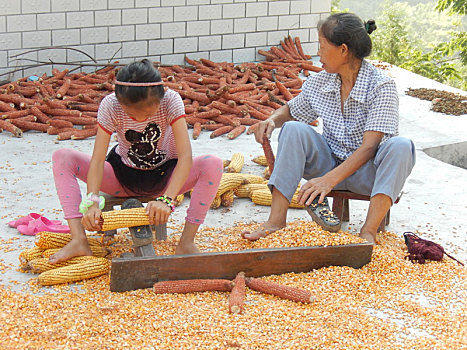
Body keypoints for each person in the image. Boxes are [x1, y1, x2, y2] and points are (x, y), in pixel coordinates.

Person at [242, 12, 416, 244]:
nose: (319, 54)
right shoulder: (321, 80)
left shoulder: (381, 86)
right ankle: (275, 221)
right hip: (329, 163)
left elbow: (369, 148)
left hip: (368, 174)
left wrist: (328, 181)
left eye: (322, 47)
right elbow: (291, 110)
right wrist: (272, 120)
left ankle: (368, 232)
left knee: (402, 146)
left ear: (343, 50)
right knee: (293, 129)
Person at [50, 59, 223, 263]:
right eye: (130, 113)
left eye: (148, 114)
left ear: (159, 99)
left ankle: (186, 242)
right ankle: (79, 239)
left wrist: (167, 200)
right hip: (122, 177)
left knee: (213, 163)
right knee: (62, 156)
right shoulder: (110, 105)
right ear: (119, 101)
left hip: (165, 177)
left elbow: (185, 157)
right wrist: (92, 201)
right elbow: (97, 161)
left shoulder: (170, 101)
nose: (139, 119)